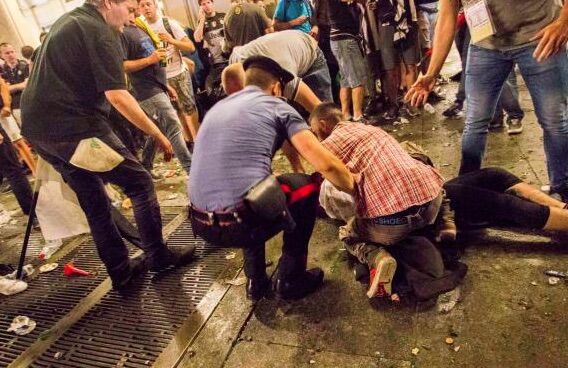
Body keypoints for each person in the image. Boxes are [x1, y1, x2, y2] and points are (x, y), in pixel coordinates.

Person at [20, 0, 195, 290]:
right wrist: (158, 135)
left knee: (95, 202)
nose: (135, 13)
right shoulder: (98, 30)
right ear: (109, 2)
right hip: (74, 127)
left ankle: (121, 273)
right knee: (139, 183)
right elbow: (118, 96)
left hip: (42, 132)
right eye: (130, 6)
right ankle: (159, 256)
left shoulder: (70, 21)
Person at [189, 56, 355, 302]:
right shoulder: (277, 106)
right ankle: (291, 279)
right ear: (277, 87)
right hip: (241, 224)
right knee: (307, 188)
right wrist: (355, 186)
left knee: (256, 187)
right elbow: (326, 164)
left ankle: (255, 281)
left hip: (199, 222)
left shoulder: (219, 108)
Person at [406, 0, 568, 201]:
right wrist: (432, 73)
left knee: (554, 121)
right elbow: (447, 16)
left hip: (539, 37)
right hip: (485, 46)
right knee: (475, 122)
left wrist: (564, 22)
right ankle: (466, 192)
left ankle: (561, 189)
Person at [309, 103, 454, 297]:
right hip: (430, 207)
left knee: (348, 233)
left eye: (314, 131)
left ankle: (376, 257)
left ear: (323, 124)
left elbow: (331, 178)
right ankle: (446, 220)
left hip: (392, 226)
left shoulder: (327, 147)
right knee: (430, 177)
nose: (315, 136)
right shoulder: (369, 128)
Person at [121, 10, 193, 175]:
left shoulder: (139, 26)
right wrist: (149, 60)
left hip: (157, 85)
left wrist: (166, 85)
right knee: (173, 125)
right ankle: (191, 169)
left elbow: (154, 60)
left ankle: (145, 166)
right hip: (146, 90)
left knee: (156, 128)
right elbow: (122, 66)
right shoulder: (121, 33)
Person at [138, 0, 199, 144]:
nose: (146, 8)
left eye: (149, 4)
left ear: (155, 5)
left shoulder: (168, 23)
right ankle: (189, 141)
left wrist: (172, 41)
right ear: (138, 9)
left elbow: (190, 47)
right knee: (176, 112)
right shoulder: (141, 29)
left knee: (189, 107)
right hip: (161, 78)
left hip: (179, 73)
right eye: (142, 5)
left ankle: (198, 139)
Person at [228, 30, 332, 103]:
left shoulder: (285, 79)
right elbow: (236, 49)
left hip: (309, 52)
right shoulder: (236, 58)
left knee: (325, 113)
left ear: (275, 89)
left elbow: (318, 108)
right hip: (286, 46)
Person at [328, 0, 368, 122]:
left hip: (340, 39)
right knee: (358, 79)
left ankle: (345, 115)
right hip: (344, 39)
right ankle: (358, 116)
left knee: (346, 80)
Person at [194, 0, 228, 97]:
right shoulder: (202, 23)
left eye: (208, 2)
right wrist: (201, 20)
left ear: (212, 3)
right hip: (217, 62)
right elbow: (197, 38)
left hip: (230, 57)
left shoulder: (223, 16)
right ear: (200, 7)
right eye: (203, 4)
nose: (207, 6)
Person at [0, 43, 30, 127]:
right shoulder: (2, 72)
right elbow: (3, 90)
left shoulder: (25, 66)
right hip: (15, 107)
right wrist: (19, 85)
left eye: (12, 52)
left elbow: (27, 85)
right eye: (7, 53)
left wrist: (9, 87)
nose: (11, 55)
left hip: (29, 103)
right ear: (1, 55)